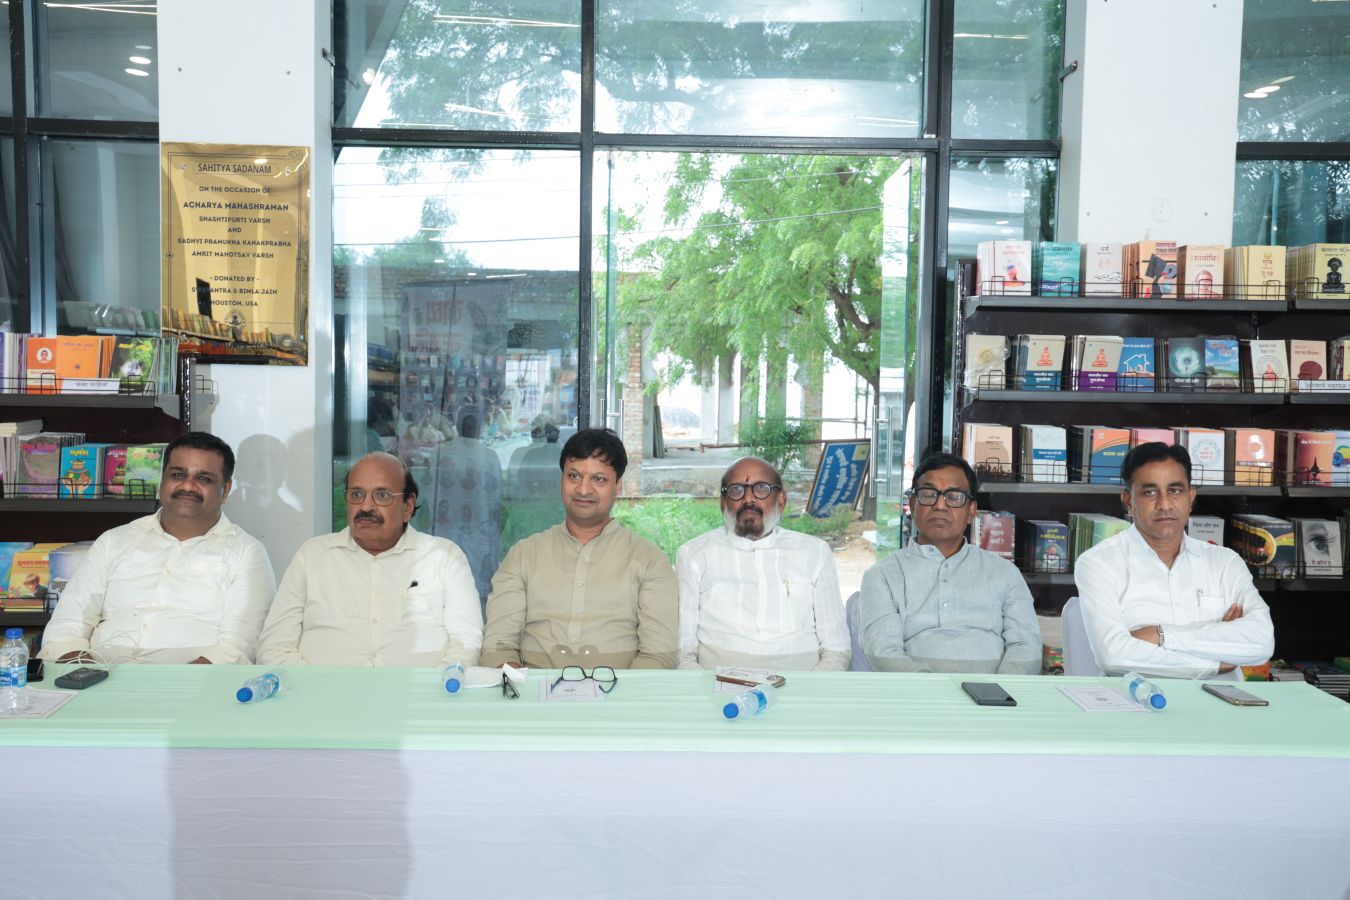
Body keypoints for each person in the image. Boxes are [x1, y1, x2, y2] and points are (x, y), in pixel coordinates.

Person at [41, 431, 275, 664]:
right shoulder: (114, 541)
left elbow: (238, 646)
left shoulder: (246, 552)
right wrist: (85, 674)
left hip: (194, 681)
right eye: (178, 474)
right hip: (99, 674)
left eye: (204, 478)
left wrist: (175, 683)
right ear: (162, 480)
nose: (188, 486)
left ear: (225, 490)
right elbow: (66, 627)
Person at [256, 451, 481, 667]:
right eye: (356, 494)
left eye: (382, 495)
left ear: (408, 506)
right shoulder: (312, 556)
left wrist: (431, 688)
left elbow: (466, 645)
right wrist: (318, 686)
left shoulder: (444, 558)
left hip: (419, 691)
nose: (365, 506)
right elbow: (274, 647)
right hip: (321, 692)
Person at [1074, 442, 1274, 680]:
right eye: (1150, 492)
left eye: (1175, 491)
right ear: (1128, 501)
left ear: (1191, 497)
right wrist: (1213, 659)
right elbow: (1113, 656)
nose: (1165, 504)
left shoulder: (1225, 563)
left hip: (1221, 698)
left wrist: (1160, 636)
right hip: (1134, 699)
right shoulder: (1099, 563)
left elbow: (1262, 642)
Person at [480, 428, 677, 669]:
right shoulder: (523, 555)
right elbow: (498, 647)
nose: (583, 489)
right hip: (532, 689)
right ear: (561, 480)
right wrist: (520, 686)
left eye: (599, 479)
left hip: (619, 690)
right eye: (574, 476)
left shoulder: (649, 561)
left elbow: (658, 656)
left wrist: (616, 692)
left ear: (618, 486)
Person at [858, 451, 1041, 673]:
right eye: (929, 494)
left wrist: (997, 689)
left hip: (994, 691)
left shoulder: (1004, 572)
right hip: (917, 691)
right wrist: (931, 689)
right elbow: (882, 652)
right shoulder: (882, 576)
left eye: (954, 497)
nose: (940, 506)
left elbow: (1025, 646)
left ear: (971, 511)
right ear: (913, 504)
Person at [675, 456, 850, 670]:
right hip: (717, 684)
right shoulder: (694, 555)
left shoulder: (814, 552)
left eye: (761, 488)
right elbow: (683, 650)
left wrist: (809, 688)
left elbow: (836, 648)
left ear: (781, 500)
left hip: (802, 683)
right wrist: (707, 687)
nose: (749, 499)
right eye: (736, 490)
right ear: (723, 502)